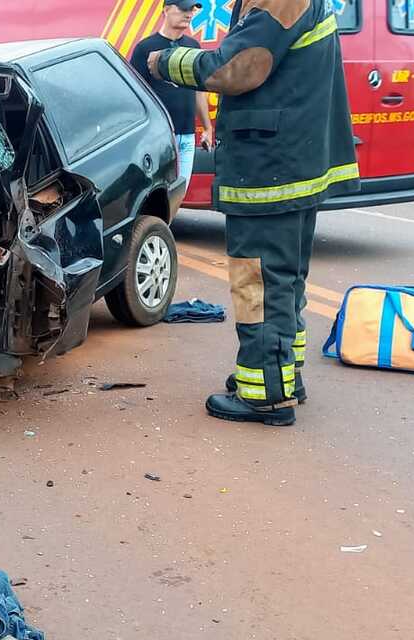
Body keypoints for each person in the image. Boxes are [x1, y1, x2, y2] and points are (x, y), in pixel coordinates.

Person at [147, 0, 359, 426]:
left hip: (269, 170)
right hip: (291, 167)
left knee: (258, 284)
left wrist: (165, 60)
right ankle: (281, 378)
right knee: (284, 282)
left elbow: (239, 66)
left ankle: (265, 397)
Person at [130, 0, 216, 183]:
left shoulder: (192, 46)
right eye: (184, 8)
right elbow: (134, 96)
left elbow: (199, 91)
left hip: (187, 134)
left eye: (192, 9)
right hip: (160, 137)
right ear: (166, 10)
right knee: (160, 193)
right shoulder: (145, 48)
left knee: (180, 191)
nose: (189, 14)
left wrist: (207, 127)